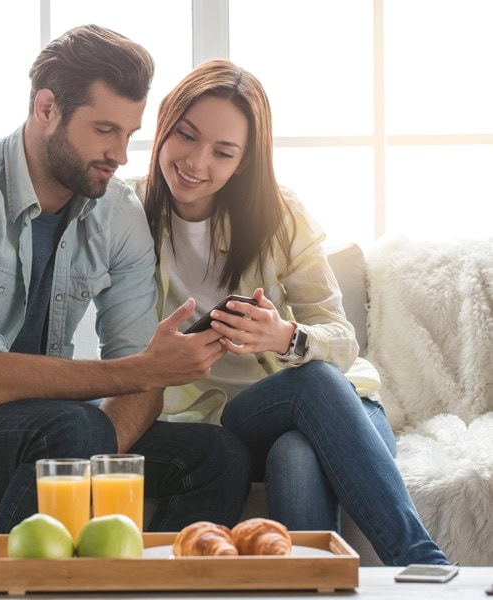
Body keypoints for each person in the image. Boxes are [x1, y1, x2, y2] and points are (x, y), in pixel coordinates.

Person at [0, 26, 251, 535]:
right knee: (74, 427)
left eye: (129, 134)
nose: (121, 154)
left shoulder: (117, 212)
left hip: (48, 427)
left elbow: (141, 378)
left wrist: (93, 460)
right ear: (46, 108)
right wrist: (141, 374)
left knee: (220, 455)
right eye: (104, 130)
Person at [131, 58, 448, 565]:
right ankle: (427, 567)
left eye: (223, 152)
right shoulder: (126, 212)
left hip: (341, 408)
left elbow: (341, 341)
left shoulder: (280, 215)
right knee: (308, 395)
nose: (196, 161)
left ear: (243, 163)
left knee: (299, 447)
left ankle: (412, 567)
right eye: (186, 136)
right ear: (165, 124)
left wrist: (284, 337)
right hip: (230, 417)